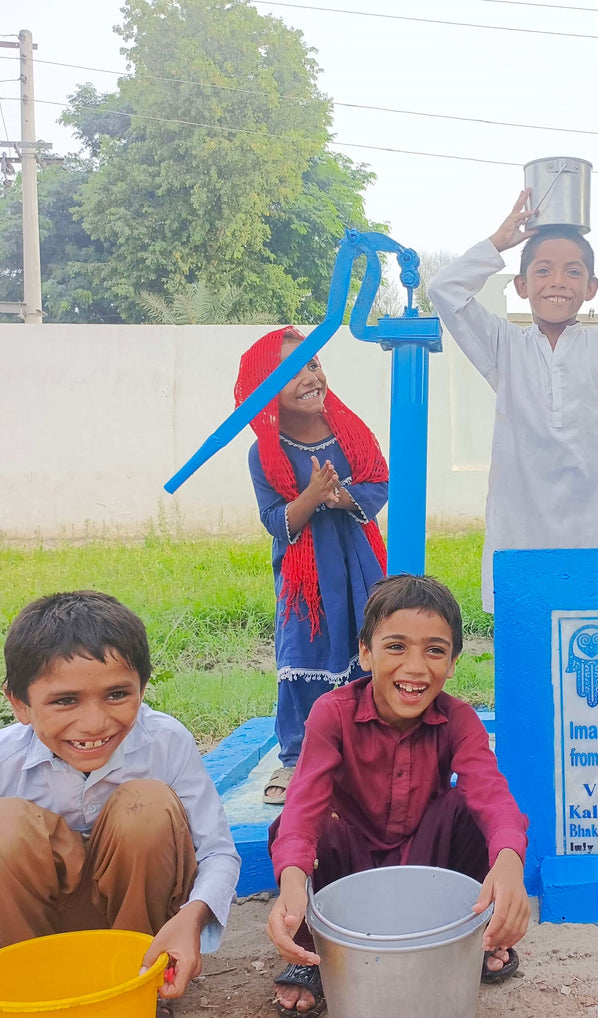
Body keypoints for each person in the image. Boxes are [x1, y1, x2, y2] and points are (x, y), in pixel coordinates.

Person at [266, 574, 530, 1015]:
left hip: (426, 862)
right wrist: (292, 880)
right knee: (300, 830)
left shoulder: (459, 719)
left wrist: (509, 862)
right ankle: (312, 951)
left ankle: (474, 936)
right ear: (365, 653)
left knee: (478, 816)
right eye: (396, 647)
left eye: (435, 650)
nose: (415, 668)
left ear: (453, 662)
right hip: (350, 864)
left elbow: (491, 793)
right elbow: (302, 806)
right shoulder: (332, 714)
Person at [0, 590, 240, 1014]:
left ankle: (139, 986)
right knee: (6, 825)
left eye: (116, 695)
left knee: (146, 808)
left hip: (138, 933)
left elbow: (218, 852)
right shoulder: (6, 759)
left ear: (143, 688)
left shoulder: (166, 741)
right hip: (34, 939)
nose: (95, 723)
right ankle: (30, 995)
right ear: (19, 704)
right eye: (65, 700)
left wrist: (192, 918)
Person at [428, 191, 598, 612]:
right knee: (525, 638)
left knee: (591, 637)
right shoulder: (504, 346)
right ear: (521, 285)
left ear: (591, 287)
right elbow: (444, 290)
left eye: (573, 272)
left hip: (595, 532)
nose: (557, 281)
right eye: (543, 270)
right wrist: (499, 242)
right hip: (520, 536)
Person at [235, 327, 389, 804]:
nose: (308, 376)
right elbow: (274, 521)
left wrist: (339, 497)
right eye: (289, 370)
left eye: (312, 363)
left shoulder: (350, 432)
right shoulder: (265, 453)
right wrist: (311, 496)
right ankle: (297, 757)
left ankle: (369, 747)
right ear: (263, 388)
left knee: (368, 641)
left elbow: (378, 483)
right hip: (305, 578)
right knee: (303, 649)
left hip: (359, 563)